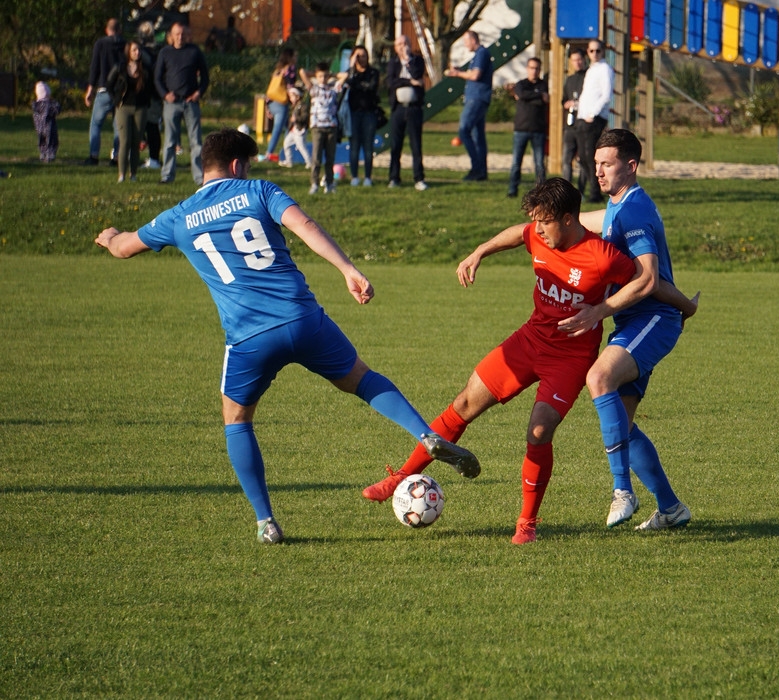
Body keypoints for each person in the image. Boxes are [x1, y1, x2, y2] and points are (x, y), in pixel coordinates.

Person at [93, 128, 479, 545]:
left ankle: (266, 522)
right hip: (302, 319)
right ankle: (425, 434)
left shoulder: (178, 217)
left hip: (248, 339)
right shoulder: (258, 190)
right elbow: (305, 225)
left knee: (237, 420)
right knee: (363, 380)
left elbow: (124, 248)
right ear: (239, 166)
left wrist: (110, 237)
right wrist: (348, 270)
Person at [362, 178, 640, 544]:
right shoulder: (539, 235)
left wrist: (605, 310)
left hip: (570, 358)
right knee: (462, 404)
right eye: (535, 221)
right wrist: (480, 251)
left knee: (539, 432)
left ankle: (526, 524)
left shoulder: (602, 256)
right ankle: (401, 476)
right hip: (528, 341)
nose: (537, 230)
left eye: (545, 221)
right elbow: (517, 233)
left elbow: (643, 280)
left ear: (570, 219)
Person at [564, 129, 697, 530]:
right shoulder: (618, 206)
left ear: (631, 166)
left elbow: (649, 279)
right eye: (596, 163)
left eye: (607, 163)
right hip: (638, 320)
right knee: (620, 421)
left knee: (599, 377)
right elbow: (586, 224)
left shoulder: (635, 210)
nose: (598, 171)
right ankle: (671, 508)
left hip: (652, 318)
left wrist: (597, 311)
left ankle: (623, 490)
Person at [154, 23, 209, 185]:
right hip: (172, 103)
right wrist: (164, 94)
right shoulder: (165, 52)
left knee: (196, 142)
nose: (180, 37)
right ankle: (167, 176)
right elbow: (157, 78)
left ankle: (199, 178)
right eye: (177, 34)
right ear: (171, 35)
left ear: (187, 35)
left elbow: (205, 76)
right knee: (170, 142)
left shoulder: (194, 51)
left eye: (183, 34)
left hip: (190, 102)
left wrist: (199, 92)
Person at [446, 31, 493, 182]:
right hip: (478, 99)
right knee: (478, 136)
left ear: (473, 40)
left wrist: (457, 74)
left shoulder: (481, 53)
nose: (465, 45)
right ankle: (482, 172)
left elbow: (475, 75)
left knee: (464, 130)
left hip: (477, 99)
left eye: (466, 41)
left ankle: (476, 168)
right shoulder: (479, 55)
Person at [107, 41, 154, 183]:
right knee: (124, 141)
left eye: (139, 50)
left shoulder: (145, 69)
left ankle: (133, 174)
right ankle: (121, 174)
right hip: (123, 108)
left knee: (136, 142)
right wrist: (116, 100)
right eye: (134, 50)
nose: (137, 53)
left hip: (140, 108)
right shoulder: (120, 67)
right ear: (128, 52)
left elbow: (150, 87)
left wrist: (147, 101)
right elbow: (109, 84)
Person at [386, 34, 428, 191]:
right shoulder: (393, 63)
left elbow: (418, 75)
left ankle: (419, 178)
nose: (402, 46)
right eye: (399, 44)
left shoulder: (417, 61)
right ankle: (394, 178)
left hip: (414, 108)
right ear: (395, 48)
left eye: (405, 43)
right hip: (398, 108)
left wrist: (408, 61)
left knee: (416, 145)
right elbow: (391, 82)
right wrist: (409, 82)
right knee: (396, 145)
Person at [577, 39, 614, 203]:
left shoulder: (605, 69)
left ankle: (595, 192)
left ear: (603, 51)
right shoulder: (591, 69)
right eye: (591, 51)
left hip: (594, 117)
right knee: (583, 156)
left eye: (597, 50)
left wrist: (593, 113)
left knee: (591, 155)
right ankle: (595, 188)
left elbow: (606, 95)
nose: (594, 54)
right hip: (583, 116)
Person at [83, 18, 124, 166]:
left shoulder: (101, 44)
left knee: (96, 124)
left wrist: (90, 89)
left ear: (107, 30)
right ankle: (116, 157)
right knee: (118, 126)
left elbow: (95, 67)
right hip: (120, 90)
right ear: (119, 30)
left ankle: (94, 156)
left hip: (104, 89)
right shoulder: (125, 44)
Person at [338, 46, 380, 187]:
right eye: (358, 56)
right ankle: (354, 176)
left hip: (369, 113)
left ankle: (368, 176)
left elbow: (371, 88)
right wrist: (351, 68)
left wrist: (357, 84)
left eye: (363, 55)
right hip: (353, 114)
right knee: (354, 145)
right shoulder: (350, 73)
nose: (361, 58)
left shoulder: (373, 72)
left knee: (368, 147)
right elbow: (347, 82)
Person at [507, 57, 548, 199]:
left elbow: (535, 98)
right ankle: (512, 189)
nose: (534, 71)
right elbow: (522, 94)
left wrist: (530, 97)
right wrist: (538, 96)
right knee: (516, 162)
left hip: (538, 129)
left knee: (539, 164)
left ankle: (542, 193)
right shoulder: (521, 84)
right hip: (521, 129)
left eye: (537, 68)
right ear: (527, 68)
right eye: (531, 68)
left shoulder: (544, 85)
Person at [299, 61, 341, 195]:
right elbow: (302, 72)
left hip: (331, 126)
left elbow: (345, 75)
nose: (323, 79)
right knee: (316, 158)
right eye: (320, 76)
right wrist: (315, 73)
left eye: (325, 76)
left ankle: (329, 183)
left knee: (330, 158)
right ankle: (314, 183)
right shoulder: (313, 89)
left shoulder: (333, 88)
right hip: (317, 127)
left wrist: (332, 74)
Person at [261, 47, 297, 163]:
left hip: (272, 102)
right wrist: (295, 99)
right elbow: (290, 86)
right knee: (279, 128)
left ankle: (287, 152)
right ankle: (270, 153)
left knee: (288, 126)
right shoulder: (290, 69)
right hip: (281, 103)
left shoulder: (277, 70)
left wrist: (267, 107)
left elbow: (270, 89)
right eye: (295, 55)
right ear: (290, 57)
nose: (296, 58)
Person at [137, 21, 163, 171]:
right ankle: (153, 158)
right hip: (155, 94)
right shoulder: (158, 50)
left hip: (147, 94)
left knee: (150, 127)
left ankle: (153, 158)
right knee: (152, 126)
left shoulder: (143, 53)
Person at [561, 48, 587, 189]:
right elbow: (563, 100)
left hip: (583, 125)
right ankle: (566, 190)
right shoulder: (570, 80)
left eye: (579, 60)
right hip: (570, 125)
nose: (577, 63)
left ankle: (581, 190)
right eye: (574, 60)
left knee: (583, 160)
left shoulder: (589, 77)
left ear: (584, 60)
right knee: (566, 159)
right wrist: (568, 103)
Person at [280, 87, 310, 168]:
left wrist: (296, 119)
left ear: (297, 96)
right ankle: (289, 162)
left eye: (292, 96)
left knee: (301, 146)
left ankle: (309, 161)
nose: (290, 98)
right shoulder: (294, 106)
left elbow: (305, 117)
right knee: (286, 144)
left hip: (300, 130)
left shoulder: (303, 106)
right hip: (293, 130)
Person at [32, 81, 60, 162]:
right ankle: (50, 154)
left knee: (42, 141)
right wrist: (56, 104)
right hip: (49, 127)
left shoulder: (36, 106)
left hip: (39, 128)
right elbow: (56, 110)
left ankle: (42, 153)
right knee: (52, 140)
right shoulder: (49, 105)